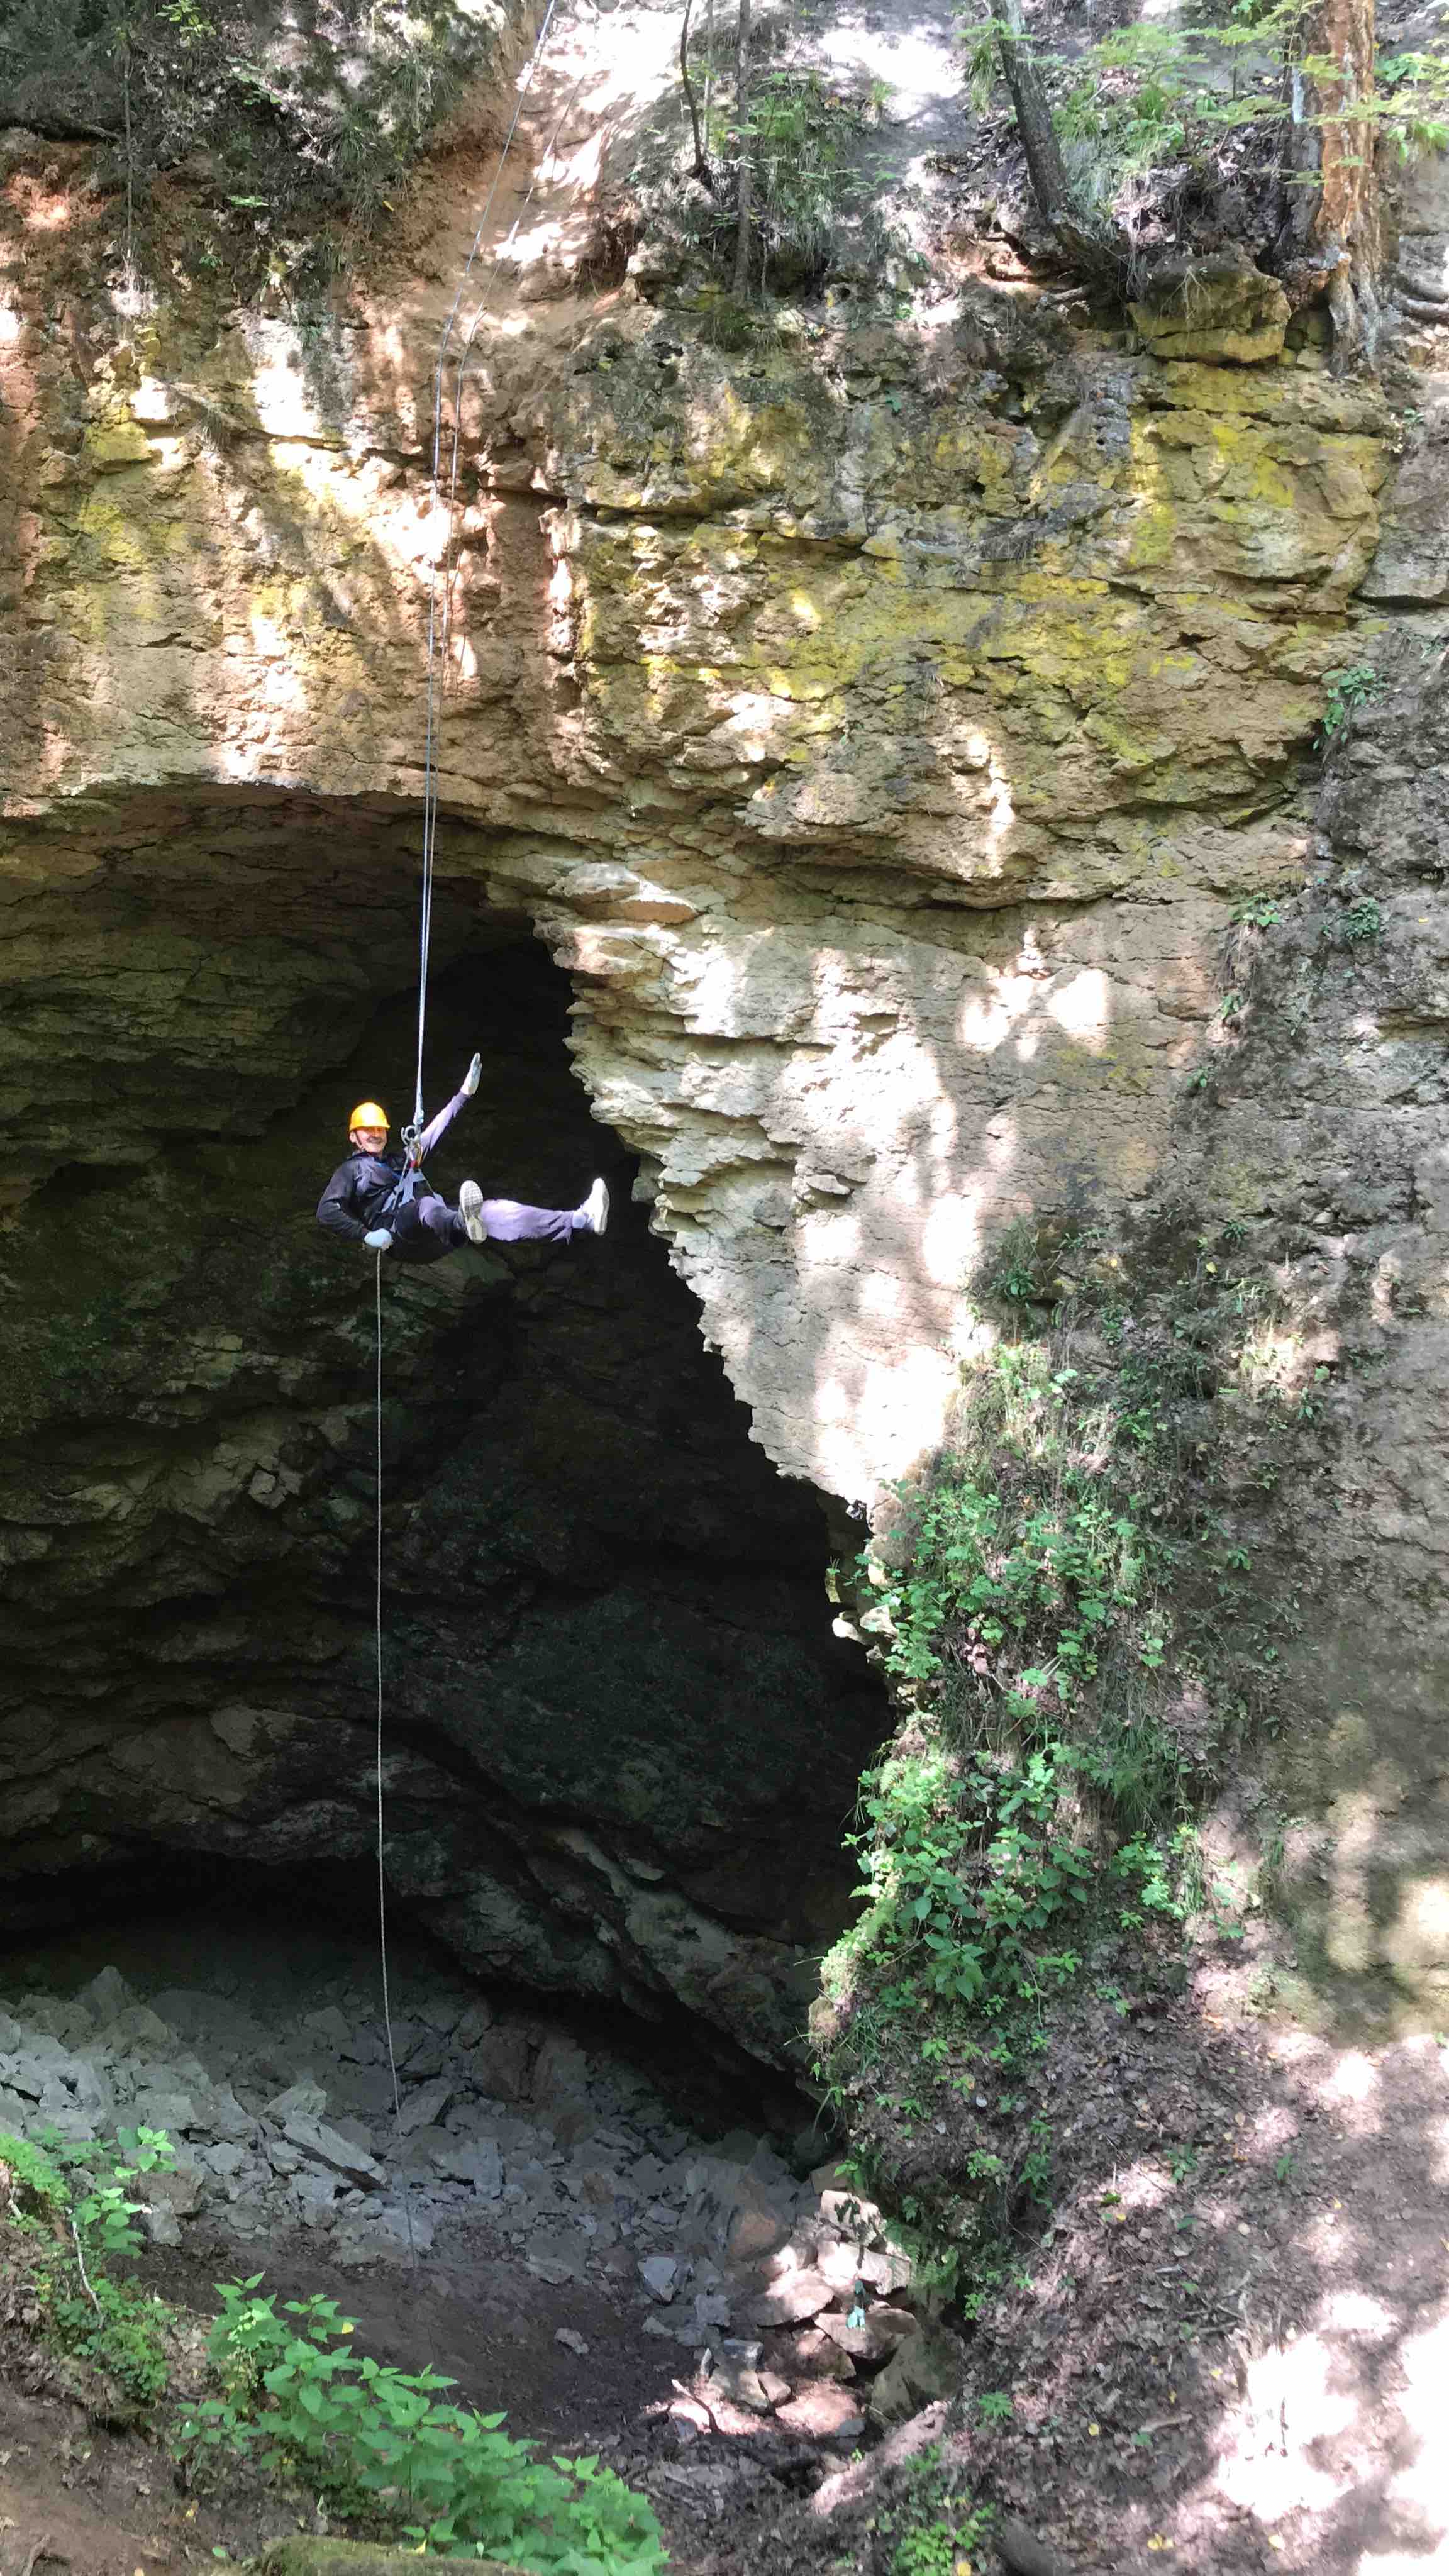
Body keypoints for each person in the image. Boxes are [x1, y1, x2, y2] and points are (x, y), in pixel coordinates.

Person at [316, 1054, 609, 1264]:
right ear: (354, 1136)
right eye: (367, 1130)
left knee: (498, 1213)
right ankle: (459, 1222)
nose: (375, 1134)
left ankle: (581, 1219)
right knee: (427, 1206)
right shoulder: (351, 1171)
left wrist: (463, 1095)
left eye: (379, 1129)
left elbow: (432, 1134)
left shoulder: (400, 1162)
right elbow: (327, 1211)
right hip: (400, 1236)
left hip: (436, 1236)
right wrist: (366, 1235)